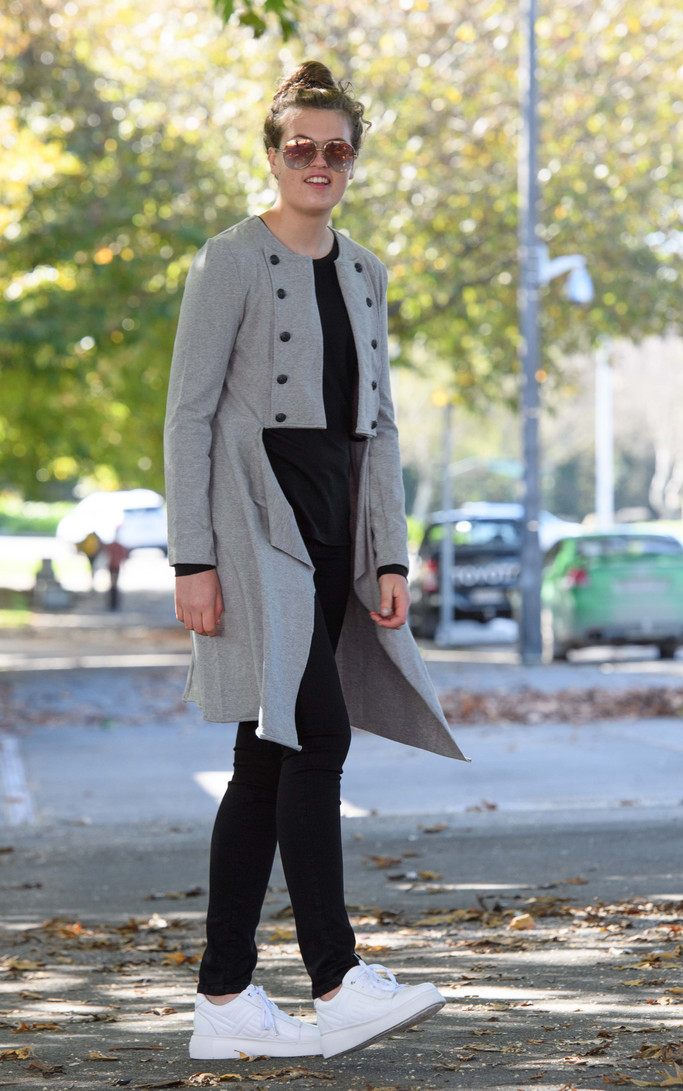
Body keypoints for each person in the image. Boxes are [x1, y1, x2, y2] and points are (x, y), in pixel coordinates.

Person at [164, 60, 468, 1063]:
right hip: (256, 524)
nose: (319, 164)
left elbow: (378, 426)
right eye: (301, 147)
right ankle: (335, 979)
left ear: (353, 159)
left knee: (265, 762)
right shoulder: (228, 261)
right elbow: (189, 415)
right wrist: (192, 556)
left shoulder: (367, 269)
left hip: (338, 525)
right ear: (272, 152)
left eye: (336, 150)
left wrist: (387, 553)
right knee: (317, 735)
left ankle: (224, 998)